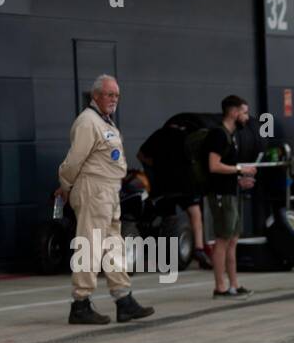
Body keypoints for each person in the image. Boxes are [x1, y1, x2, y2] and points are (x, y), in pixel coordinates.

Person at [55, 74, 154, 326]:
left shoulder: (104, 121)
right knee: (90, 246)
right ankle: (80, 303)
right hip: (93, 189)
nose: (114, 99)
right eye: (109, 94)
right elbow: (74, 160)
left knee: (113, 246)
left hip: (109, 191)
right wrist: (65, 185)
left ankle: (124, 299)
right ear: (95, 95)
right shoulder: (88, 122)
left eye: (117, 95)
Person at [204, 95, 258, 299]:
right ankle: (220, 286)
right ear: (233, 112)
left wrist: (239, 178)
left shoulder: (231, 135)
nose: (246, 117)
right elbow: (213, 165)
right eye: (244, 112)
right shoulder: (219, 135)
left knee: (233, 239)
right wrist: (239, 168)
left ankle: (234, 284)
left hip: (231, 192)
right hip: (221, 196)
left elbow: (226, 169)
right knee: (222, 240)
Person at [137, 121, 211, 269]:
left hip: (163, 184)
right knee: (195, 214)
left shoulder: (157, 135)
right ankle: (199, 249)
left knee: (167, 218)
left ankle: (165, 255)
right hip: (186, 182)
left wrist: (154, 163)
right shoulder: (186, 136)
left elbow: (141, 155)